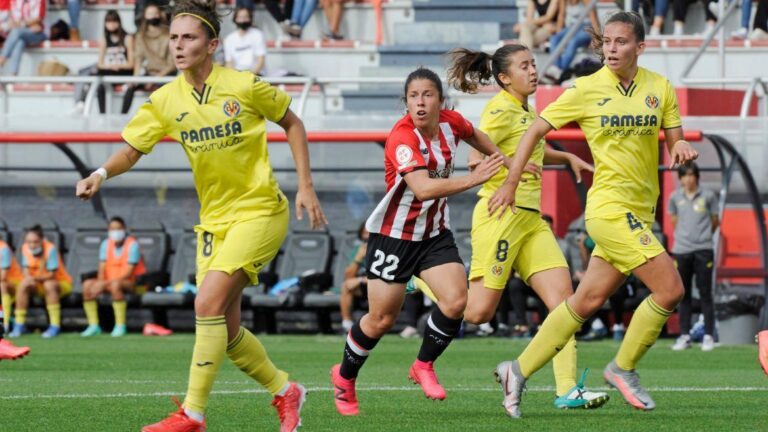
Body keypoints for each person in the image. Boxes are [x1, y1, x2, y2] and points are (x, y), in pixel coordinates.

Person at [75, 0, 327, 429]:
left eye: (188, 37)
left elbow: (294, 123)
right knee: (225, 333)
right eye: (173, 37)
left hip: (260, 211)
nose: (177, 45)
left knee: (205, 302)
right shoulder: (165, 99)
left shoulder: (245, 85)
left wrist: (305, 184)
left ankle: (192, 412)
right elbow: (132, 149)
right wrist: (100, 172)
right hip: (214, 222)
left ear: (212, 44)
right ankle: (287, 391)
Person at [493, 11, 698, 417]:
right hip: (607, 209)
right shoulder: (586, 88)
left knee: (584, 301)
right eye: (607, 42)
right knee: (671, 289)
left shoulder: (660, 87)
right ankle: (622, 368)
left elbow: (674, 137)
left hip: (640, 211)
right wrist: (512, 182)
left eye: (621, 42)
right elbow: (534, 131)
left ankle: (516, 370)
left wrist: (679, 147)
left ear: (641, 47)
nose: (611, 49)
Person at [416, 44, 607, 410]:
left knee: (565, 305)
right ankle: (418, 278)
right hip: (501, 216)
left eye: (534, 64)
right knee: (477, 313)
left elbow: (528, 150)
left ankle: (566, 390)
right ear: (504, 78)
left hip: (531, 220)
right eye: (524, 66)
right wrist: (506, 166)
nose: (533, 71)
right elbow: (474, 158)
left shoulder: (525, 109)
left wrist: (566, 156)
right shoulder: (500, 109)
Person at [330, 66, 514, 417]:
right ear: (405, 102)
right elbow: (424, 189)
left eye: (427, 94)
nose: (420, 102)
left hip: (433, 235)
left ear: (440, 100)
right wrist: (476, 177)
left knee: (457, 300)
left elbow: (477, 135)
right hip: (393, 237)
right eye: (413, 96)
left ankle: (423, 365)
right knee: (381, 319)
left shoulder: (451, 122)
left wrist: (502, 161)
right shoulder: (401, 138)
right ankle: (344, 377)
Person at [668, 162, 719, 352]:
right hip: (682, 250)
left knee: (705, 292)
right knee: (683, 293)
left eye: (691, 175)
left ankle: (708, 335)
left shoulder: (708, 196)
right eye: (685, 176)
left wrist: (702, 237)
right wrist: (686, 238)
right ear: (680, 178)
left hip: (703, 249)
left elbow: (715, 221)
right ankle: (684, 335)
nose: (688, 179)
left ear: (697, 177)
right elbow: (675, 222)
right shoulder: (674, 197)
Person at [80, 216, 147, 338]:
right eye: (112, 229)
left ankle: (120, 325)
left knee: (115, 285)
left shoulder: (133, 245)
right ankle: (93, 325)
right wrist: (99, 283)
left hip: (131, 283)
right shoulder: (105, 244)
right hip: (108, 282)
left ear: (124, 229)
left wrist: (103, 284)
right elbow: (102, 267)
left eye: (118, 228)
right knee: (87, 285)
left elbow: (128, 273)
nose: (115, 232)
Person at [7, 225, 72, 339]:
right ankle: (19, 324)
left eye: (35, 242)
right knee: (23, 284)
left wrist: (34, 279)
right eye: (29, 242)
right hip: (37, 283)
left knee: (49, 284)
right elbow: (26, 270)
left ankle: (54, 325)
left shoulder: (50, 249)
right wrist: (29, 279)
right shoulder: (25, 248)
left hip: (60, 283)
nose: (32, 245)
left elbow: (51, 275)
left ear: (42, 240)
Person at [74, 10, 135, 114]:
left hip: (124, 72)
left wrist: (119, 66)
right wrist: (111, 66)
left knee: (130, 87)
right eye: (108, 22)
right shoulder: (104, 40)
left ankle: (122, 116)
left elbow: (131, 64)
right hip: (109, 71)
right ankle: (100, 114)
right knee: (98, 81)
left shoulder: (127, 38)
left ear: (119, 22)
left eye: (114, 21)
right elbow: (100, 64)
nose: (111, 25)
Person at [123, 2, 176, 114]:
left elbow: (172, 64)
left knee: (163, 93)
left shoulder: (169, 35)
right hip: (149, 74)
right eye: (150, 14)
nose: (153, 17)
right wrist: (135, 79)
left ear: (160, 15)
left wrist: (156, 78)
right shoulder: (140, 36)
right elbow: (138, 60)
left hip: (165, 75)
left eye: (155, 13)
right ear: (145, 16)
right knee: (130, 88)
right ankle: (120, 117)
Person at [543, 0, 601, 83]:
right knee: (554, 38)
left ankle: (560, 70)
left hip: (586, 28)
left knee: (573, 41)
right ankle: (558, 70)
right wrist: (560, 37)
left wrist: (596, 38)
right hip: (572, 27)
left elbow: (593, 19)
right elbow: (561, 16)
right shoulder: (564, 1)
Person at [0, 0, 46, 76]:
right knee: (20, 41)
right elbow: (14, 22)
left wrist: (22, 24)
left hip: (38, 34)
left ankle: (2, 60)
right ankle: (13, 74)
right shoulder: (15, 1)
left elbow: (38, 19)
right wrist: (27, 25)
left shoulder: (40, 1)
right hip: (24, 32)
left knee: (16, 32)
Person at [339, 223, 368, 333]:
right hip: (362, 287)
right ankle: (347, 325)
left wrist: (363, 280)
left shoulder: (384, 248)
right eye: (365, 233)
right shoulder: (358, 250)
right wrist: (358, 258)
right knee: (346, 285)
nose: (367, 237)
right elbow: (348, 276)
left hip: (380, 286)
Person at [224, 7, 267, 75]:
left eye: (246, 17)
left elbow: (261, 60)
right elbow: (229, 63)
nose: (243, 20)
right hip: (237, 76)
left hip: (257, 75)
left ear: (250, 18)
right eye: (240, 17)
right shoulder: (229, 39)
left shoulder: (257, 34)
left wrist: (251, 76)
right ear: (235, 19)